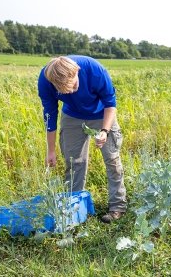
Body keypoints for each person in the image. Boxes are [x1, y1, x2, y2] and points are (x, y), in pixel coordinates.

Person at [38, 55, 126, 223]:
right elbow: (50, 115)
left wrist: (105, 131)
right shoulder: (45, 79)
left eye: (73, 87)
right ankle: (73, 208)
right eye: (65, 91)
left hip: (101, 114)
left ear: (77, 72)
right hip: (71, 115)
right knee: (74, 162)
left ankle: (117, 207)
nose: (70, 92)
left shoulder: (95, 70)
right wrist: (50, 150)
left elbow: (110, 103)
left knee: (112, 160)